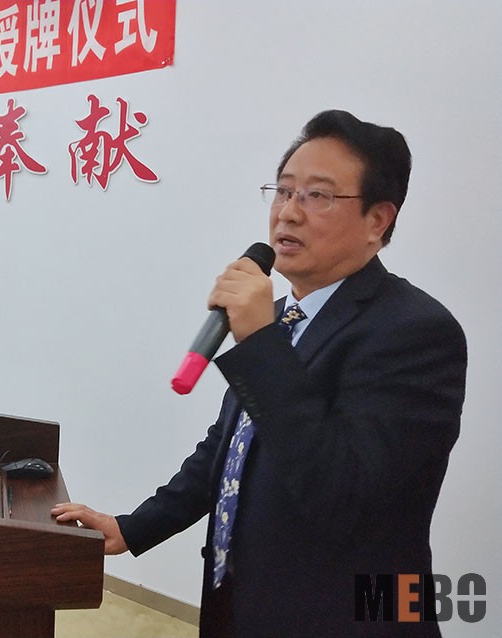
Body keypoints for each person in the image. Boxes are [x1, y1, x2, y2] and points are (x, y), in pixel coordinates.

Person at [51, 110, 467, 637]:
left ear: (377, 221)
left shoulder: (415, 331)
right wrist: (133, 528)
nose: (288, 213)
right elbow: (229, 450)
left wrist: (260, 344)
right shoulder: (278, 320)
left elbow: (345, 497)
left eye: (318, 196)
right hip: (239, 601)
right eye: (284, 191)